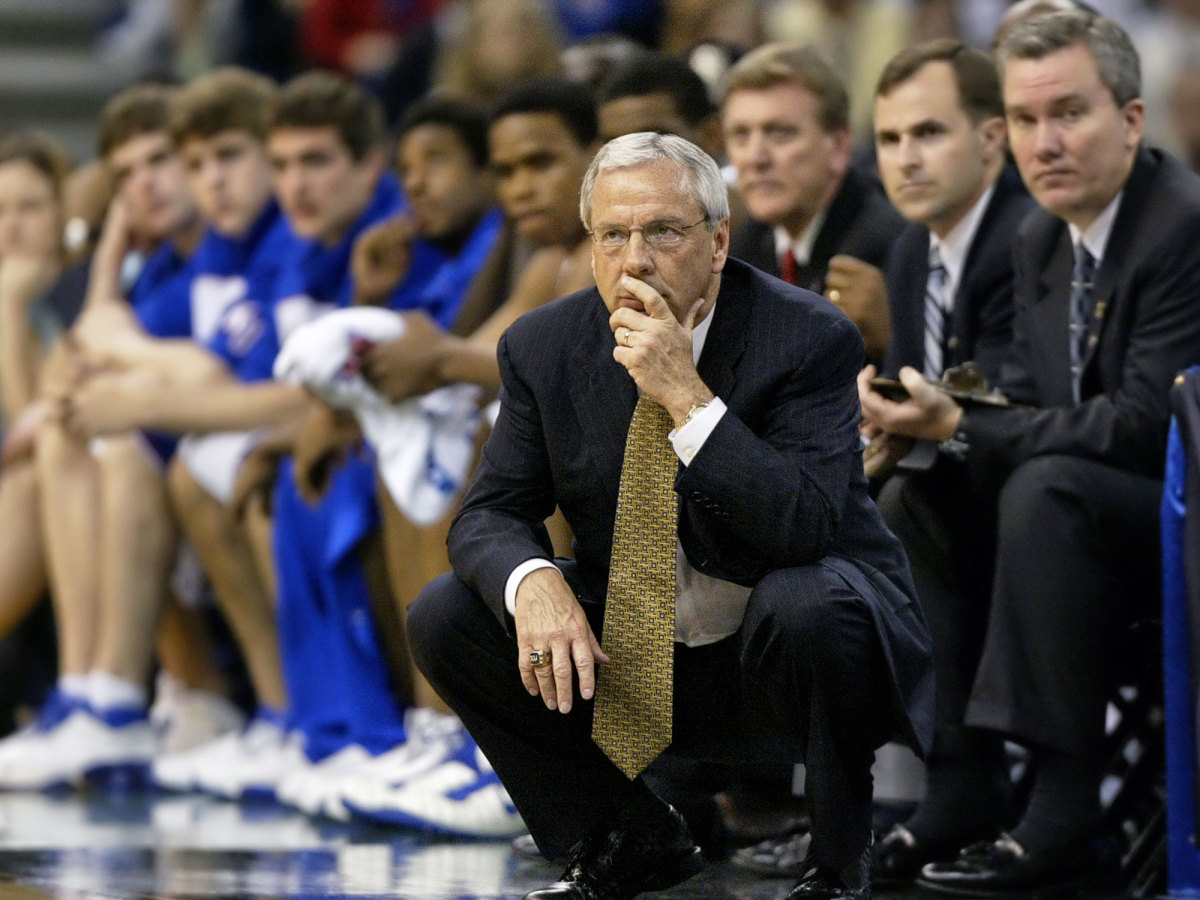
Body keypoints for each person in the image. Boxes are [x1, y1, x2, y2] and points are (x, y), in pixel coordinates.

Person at [407, 131, 933, 900]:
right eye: (612, 235)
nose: (635, 260)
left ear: (718, 242)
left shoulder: (808, 336)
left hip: (783, 653)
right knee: (447, 613)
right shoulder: (542, 346)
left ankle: (837, 860)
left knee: (813, 596)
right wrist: (533, 584)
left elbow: (807, 528)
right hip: (639, 658)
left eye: (662, 232)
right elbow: (487, 515)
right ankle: (625, 837)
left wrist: (686, 397)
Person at [859, 10, 1200, 892]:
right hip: (1086, 519)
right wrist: (919, 418)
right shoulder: (1041, 235)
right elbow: (1022, 395)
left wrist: (965, 425)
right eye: (1025, 120)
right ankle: (959, 781)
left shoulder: (1180, 224)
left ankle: (1063, 806)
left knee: (1044, 489)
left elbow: (1144, 425)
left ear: (1130, 120)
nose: (1044, 142)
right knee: (919, 495)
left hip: (1180, 522)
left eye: (1070, 114)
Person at [865, 40, 1033, 480]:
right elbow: (907, 383)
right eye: (888, 139)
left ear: (992, 137)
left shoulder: (1030, 241)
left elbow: (1000, 411)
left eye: (928, 133)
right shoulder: (910, 249)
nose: (905, 160)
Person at [721, 42, 905, 364]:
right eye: (740, 135)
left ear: (838, 145)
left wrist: (892, 341)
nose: (754, 157)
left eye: (780, 133)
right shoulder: (745, 246)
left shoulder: (890, 247)